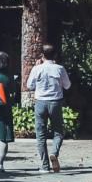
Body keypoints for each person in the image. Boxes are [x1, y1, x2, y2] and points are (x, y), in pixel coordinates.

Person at [25, 43, 73, 171]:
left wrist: (36, 68)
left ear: (42, 55)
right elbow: (67, 85)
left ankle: (45, 166)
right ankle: (54, 152)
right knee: (58, 132)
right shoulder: (59, 68)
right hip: (55, 103)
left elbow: (29, 85)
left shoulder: (37, 69)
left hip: (40, 102)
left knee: (40, 134)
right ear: (55, 55)